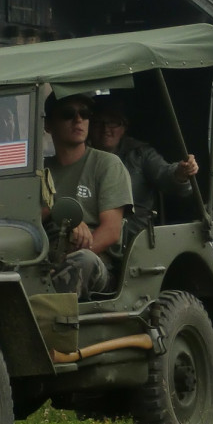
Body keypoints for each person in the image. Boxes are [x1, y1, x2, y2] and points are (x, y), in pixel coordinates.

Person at [43, 92, 133, 298]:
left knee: (82, 261)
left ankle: (55, 321)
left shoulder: (107, 164)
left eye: (84, 113)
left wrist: (66, 261)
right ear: (48, 125)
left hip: (96, 260)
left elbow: (111, 231)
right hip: (44, 255)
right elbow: (29, 218)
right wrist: (64, 214)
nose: (78, 120)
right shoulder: (41, 170)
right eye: (68, 114)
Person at [89, 96, 199, 239]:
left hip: (134, 237)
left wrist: (181, 171)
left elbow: (164, 173)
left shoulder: (140, 154)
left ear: (123, 127)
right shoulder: (81, 156)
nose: (105, 129)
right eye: (98, 123)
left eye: (113, 123)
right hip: (92, 232)